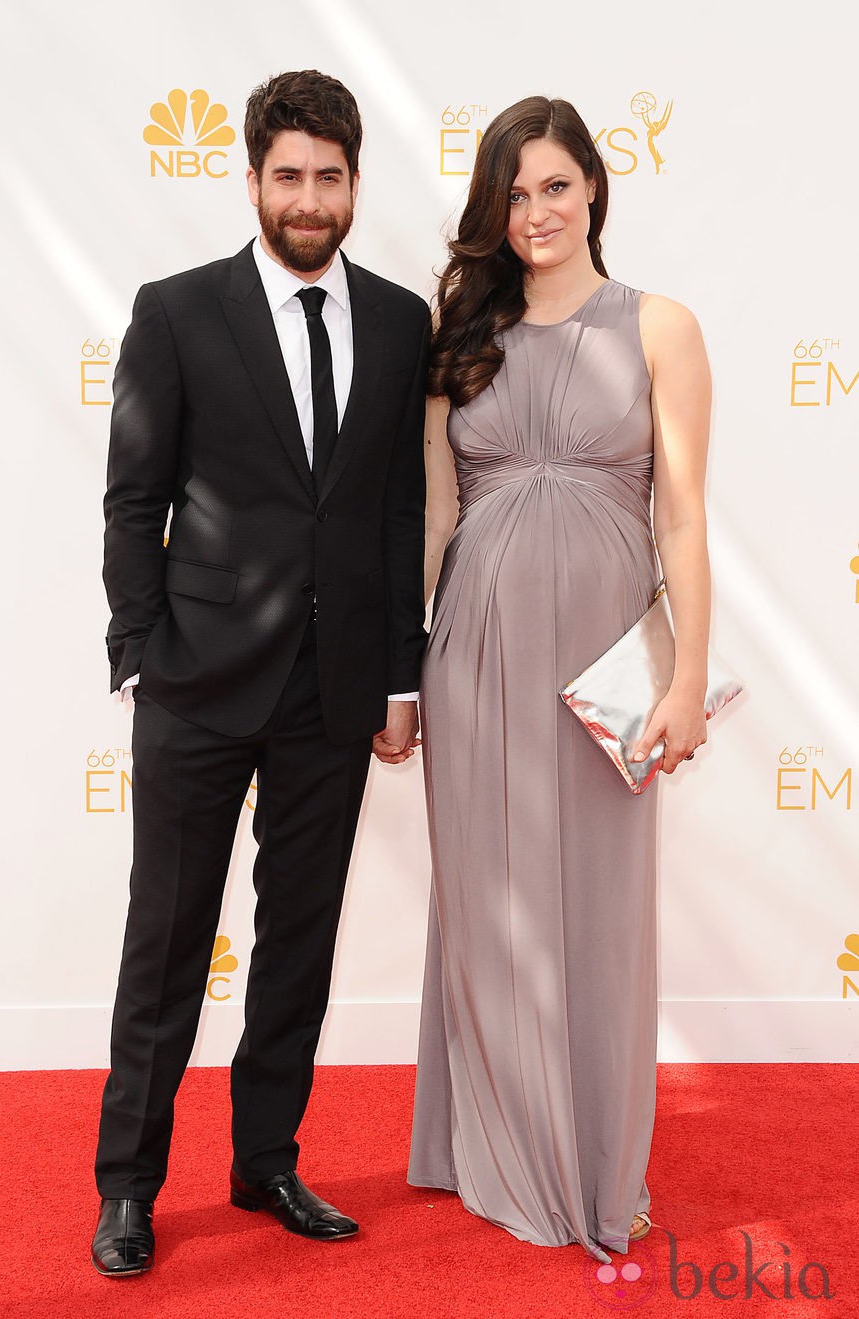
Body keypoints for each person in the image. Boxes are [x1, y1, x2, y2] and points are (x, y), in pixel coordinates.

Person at [92, 69, 429, 1277]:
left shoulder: (398, 322)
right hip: (194, 679)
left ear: (352, 185)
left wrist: (400, 679)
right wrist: (140, 653)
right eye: (285, 175)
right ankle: (128, 1184)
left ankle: (265, 1158)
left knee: (300, 936)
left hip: (330, 691)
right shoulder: (177, 310)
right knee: (167, 937)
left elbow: (396, 511)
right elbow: (134, 498)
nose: (306, 197)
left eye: (327, 176)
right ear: (251, 180)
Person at [407, 96, 711, 1263]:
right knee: (487, 899)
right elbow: (438, 506)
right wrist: (401, 667)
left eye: (553, 185)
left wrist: (682, 674)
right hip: (474, 654)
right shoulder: (460, 330)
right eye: (512, 192)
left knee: (600, 910)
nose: (534, 212)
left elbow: (679, 518)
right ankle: (491, 1144)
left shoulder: (658, 327)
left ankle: (595, 1162)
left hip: (603, 663)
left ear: (592, 186)